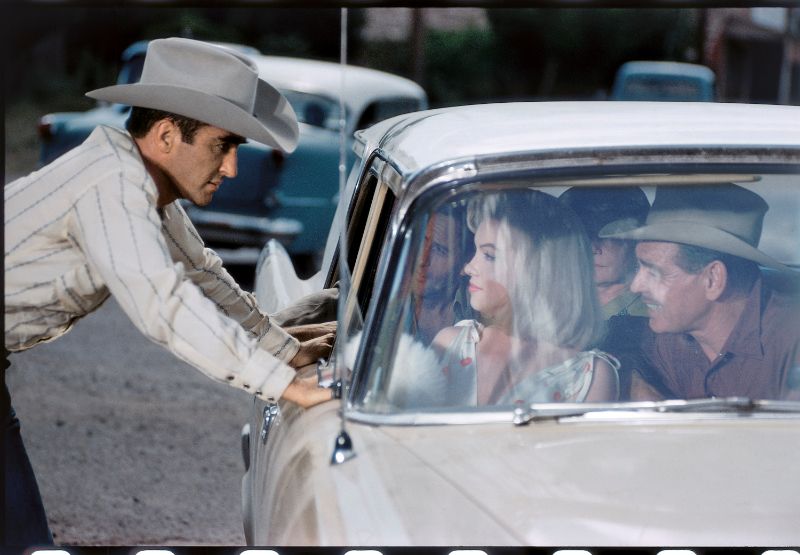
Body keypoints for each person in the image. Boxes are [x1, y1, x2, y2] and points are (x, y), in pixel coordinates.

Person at [4, 37, 335, 547]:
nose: (230, 169)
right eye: (222, 146)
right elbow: (164, 305)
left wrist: (287, 351)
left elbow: (204, 277)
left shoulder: (143, 189)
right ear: (164, 136)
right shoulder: (112, 184)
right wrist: (284, 385)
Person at [602, 183, 800, 400]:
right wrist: (635, 382)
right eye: (639, 268)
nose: (636, 286)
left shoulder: (790, 343)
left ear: (713, 279)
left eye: (655, 273)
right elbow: (615, 343)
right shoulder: (666, 336)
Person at [432, 190, 620, 406]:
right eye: (476, 252)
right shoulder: (450, 345)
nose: (468, 268)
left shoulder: (590, 376)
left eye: (489, 255)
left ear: (540, 270)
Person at [558, 186, 650, 319]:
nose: (593, 249)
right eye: (583, 238)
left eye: (606, 237)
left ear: (638, 240)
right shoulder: (546, 308)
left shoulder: (657, 319)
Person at [407, 201, 474, 345]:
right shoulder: (384, 301)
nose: (422, 260)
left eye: (438, 250)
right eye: (421, 241)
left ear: (465, 263)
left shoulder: (480, 310)